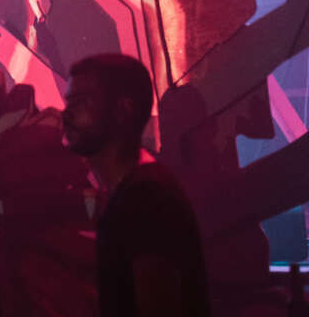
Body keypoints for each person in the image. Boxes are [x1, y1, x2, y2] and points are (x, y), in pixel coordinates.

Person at [63, 53, 210, 317]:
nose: (67, 113)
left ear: (122, 111)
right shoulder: (134, 192)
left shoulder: (146, 200)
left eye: (81, 102)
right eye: (68, 102)